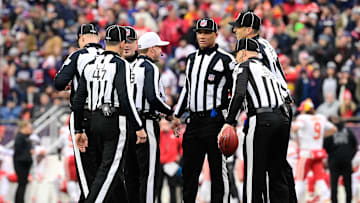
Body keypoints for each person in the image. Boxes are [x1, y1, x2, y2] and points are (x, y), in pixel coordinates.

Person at [72, 25, 147, 203]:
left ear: (105, 42)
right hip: (114, 121)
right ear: (122, 43)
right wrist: (139, 127)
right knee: (110, 171)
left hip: (93, 121)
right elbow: (125, 98)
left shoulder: (91, 64)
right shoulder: (121, 64)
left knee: (109, 174)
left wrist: (78, 129)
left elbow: (78, 100)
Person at [229, 10, 297, 202]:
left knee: (259, 167)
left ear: (249, 29)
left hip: (269, 107)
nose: (235, 31)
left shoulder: (254, 52)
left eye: (238, 27)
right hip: (282, 108)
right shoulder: (266, 44)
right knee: (278, 166)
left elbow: (253, 80)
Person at [172, 18, 235, 203]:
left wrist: (230, 121)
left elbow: (236, 93)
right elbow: (187, 89)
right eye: (200, 32)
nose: (202, 36)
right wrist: (177, 115)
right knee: (189, 173)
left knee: (218, 173)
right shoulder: (191, 59)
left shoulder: (226, 60)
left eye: (207, 33)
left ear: (215, 35)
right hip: (193, 122)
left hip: (215, 122)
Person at [54, 23, 104, 202]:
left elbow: (59, 82)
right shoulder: (109, 57)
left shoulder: (78, 55)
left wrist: (72, 83)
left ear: (81, 39)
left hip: (83, 116)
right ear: (98, 39)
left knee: (86, 176)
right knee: (104, 171)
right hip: (108, 119)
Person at [127, 31, 173, 203]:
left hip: (128, 123)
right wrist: (170, 112)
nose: (160, 52)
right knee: (149, 173)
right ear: (151, 49)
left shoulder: (129, 66)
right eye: (159, 47)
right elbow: (152, 97)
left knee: (131, 173)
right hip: (145, 122)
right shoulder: (149, 68)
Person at [291, 99, 337, 202]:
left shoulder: (303, 118)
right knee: (320, 180)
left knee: (299, 181)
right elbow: (334, 129)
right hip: (318, 153)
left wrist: (296, 138)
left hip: (306, 153)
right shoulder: (321, 117)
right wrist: (321, 136)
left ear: (305, 110)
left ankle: (295, 200)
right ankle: (326, 199)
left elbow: (295, 129)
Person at [324, 116, 358, 203]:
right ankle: (348, 201)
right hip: (346, 161)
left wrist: (330, 155)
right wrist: (350, 156)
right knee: (348, 185)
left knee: (334, 185)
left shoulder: (330, 132)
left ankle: (334, 201)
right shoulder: (348, 131)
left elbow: (325, 146)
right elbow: (355, 145)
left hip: (334, 161)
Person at [13, 120, 33, 203]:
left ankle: (20, 200)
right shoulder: (20, 137)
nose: (31, 129)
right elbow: (19, 151)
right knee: (22, 184)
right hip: (21, 164)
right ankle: (19, 201)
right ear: (24, 128)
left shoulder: (25, 137)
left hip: (24, 164)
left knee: (22, 184)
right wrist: (28, 153)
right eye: (29, 127)